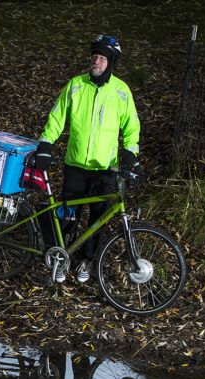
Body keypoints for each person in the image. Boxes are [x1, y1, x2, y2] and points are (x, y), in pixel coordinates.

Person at [35, 34, 141, 283]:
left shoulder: (121, 91)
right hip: (75, 166)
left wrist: (130, 152)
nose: (97, 61)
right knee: (67, 214)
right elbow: (57, 118)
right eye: (95, 56)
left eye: (103, 58)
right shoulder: (75, 85)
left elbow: (132, 126)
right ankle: (60, 259)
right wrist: (45, 145)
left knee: (97, 219)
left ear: (111, 62)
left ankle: (86, 261)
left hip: (105, 168)